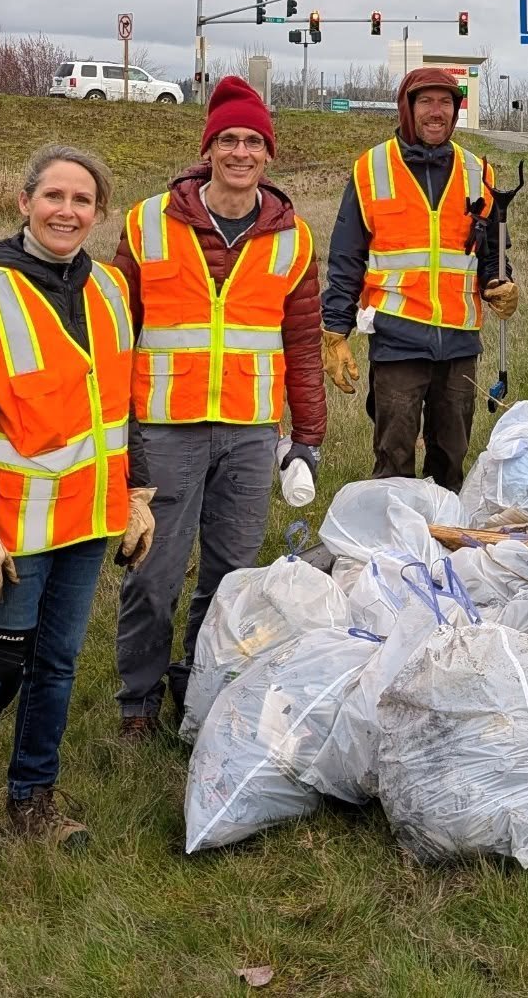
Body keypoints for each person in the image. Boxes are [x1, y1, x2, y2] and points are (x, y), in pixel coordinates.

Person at [0, 145, 155, 879]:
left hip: (87, 521)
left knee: (56, 667)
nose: (66, 210)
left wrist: (138, 496)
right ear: (24, 202)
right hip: (14, 527)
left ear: (98, 212)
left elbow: (125, 404)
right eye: (53, 195)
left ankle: (33, 797)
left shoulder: (112, 291)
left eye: (82, 200)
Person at [113, 76, 326, 734]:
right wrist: (114, 432)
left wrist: (308, 438)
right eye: (227, 139)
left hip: (249, 431)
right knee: (154, 574)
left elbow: (303, 344)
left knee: (233, 576)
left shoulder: (295, 238)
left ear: (270, 154)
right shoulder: (147, 223)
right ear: (207, 150)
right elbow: (116, 331)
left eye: (253, 141)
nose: (240, 151)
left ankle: (199, 688)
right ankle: (137, 705)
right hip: (165, 431)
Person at [320, 69, 516, 490]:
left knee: (451, 456)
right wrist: (335, 330)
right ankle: (395, 544)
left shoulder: (477, 170)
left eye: (445, 102)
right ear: (407, 109)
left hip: (459, 337)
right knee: (395, 455)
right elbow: (346, 257)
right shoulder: (371, 168)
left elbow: (492, 250)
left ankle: (445, 543)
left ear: (456, 109)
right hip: (397, 338)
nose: (436, 112)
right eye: (425, 101)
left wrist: (500, 282)